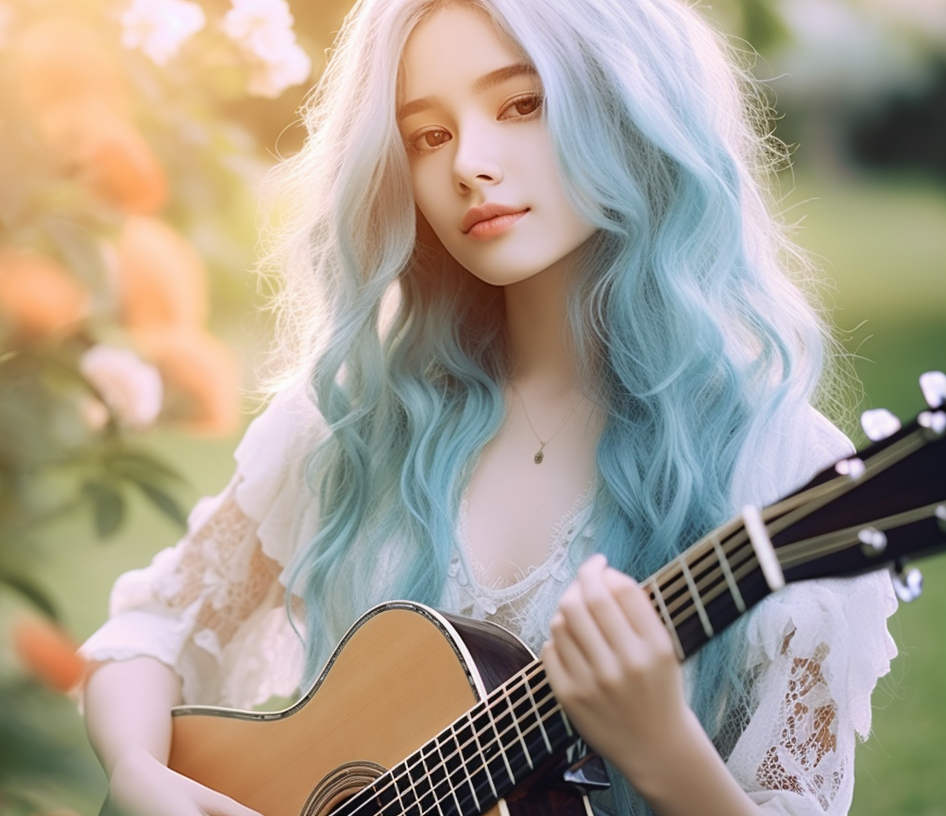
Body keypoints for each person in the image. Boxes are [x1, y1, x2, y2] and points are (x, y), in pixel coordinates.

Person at [79, 0, 899, 814]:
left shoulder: (781, 467)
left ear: (630, 102)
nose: (469, 162)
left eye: (522, 105)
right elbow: (150, 633)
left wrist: (663, 749)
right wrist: (141, 776)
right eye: (428, 134)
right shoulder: (356, 419)